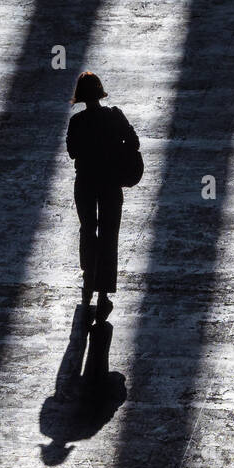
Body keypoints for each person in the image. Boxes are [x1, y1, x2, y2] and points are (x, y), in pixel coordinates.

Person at [65, 70, 139, 325]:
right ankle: (104, 294)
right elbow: (133, 141)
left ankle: (88, 278)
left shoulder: (77, 122)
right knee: (109, 235)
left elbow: (72, 151)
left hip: (85, 182)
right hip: (110, 183)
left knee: (88, 229)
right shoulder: (114, 116)